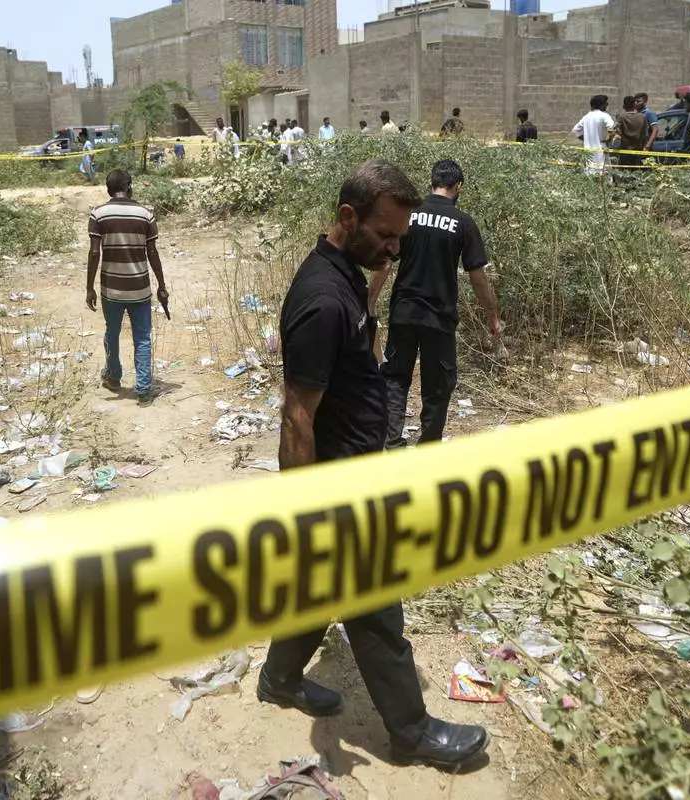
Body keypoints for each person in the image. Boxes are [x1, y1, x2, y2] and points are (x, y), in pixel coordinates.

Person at [263, 159, 490, 771]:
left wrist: (378, 282)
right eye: (386, 235)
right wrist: (306, 509)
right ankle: (410, 731)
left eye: (399, 238)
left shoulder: (345, 278)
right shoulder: (321, 300)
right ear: (348, 217)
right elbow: (297, 417)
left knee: (318, 587)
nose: (394, 247)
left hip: (356, 466)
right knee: (374, 604)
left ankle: (279, 678)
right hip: (337, 484)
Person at [368, 159, 502, 448]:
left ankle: (391, 444)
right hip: (439, 319)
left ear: (432, 182)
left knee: (395, 379)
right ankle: (428, 449)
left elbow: (386, 262)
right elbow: (477, 277)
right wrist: (492, 314)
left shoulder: (409, 215)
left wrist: (369, 301)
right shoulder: (463, 223)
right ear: (458, 186)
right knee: (437, 387)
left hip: (403, 313)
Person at [85, 170, 169, 406]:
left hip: (111, 289)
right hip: (140, 288)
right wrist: (162, 286)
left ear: (108, 189)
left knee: (111, 333)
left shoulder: (98, 214)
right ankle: (143, 391)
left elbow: (94, 252)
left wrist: (89, 288)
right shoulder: (146, 215)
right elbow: (152, 252)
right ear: (129, 186)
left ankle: (113, 377)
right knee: (142, 338)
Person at [571, 94, 613, 175]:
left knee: (589, 172)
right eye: (606, 103)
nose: (607, 105)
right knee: (603, 173)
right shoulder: (604, 116)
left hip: (588, 150)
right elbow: (612, 129)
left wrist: (586, 139)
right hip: (601, 148)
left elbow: (575, 130)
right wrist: (609, 140)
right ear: (601, 104)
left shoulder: (586, 117)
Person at [613, 95, 650, 166]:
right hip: (638, 148)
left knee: (625, 169)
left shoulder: (621, 117)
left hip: (625, 148)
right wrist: (645, 146)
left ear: (624, 106)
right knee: (637, 169)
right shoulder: (642, 117)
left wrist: (621, 135)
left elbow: (614, 128)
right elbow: (645, 134)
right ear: (634, 105)